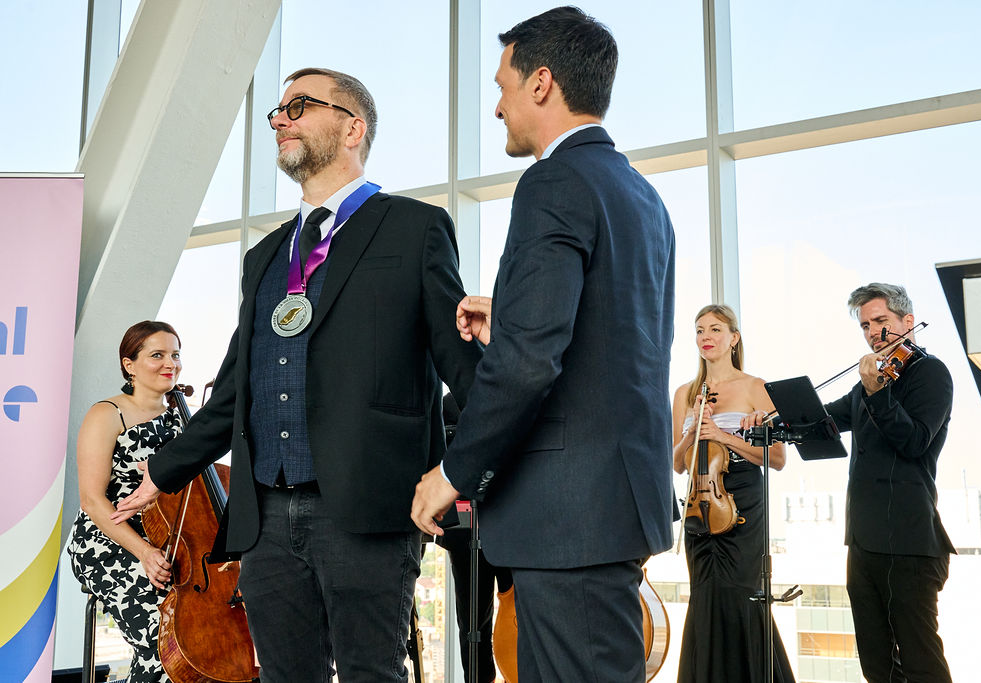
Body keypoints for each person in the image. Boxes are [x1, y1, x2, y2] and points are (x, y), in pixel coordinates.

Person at [113, 67, 481, 682]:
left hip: (367, 507)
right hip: (267, 521)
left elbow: (464, 370)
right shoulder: (265, 256)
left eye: (299, 106)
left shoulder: (415, 229)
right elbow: (235, 391)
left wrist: (465, 468)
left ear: (352, 128)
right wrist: (161, 470)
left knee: (372, 673)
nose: (280, 119)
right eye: (277, 110)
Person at [411, 8, 676, 681]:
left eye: (502, 85)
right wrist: (516, 318)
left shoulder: (553, 183)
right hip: (612, 500)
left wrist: (452, 472)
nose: (496, 106)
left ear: (542, 83)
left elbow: (530, 365)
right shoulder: (639, 194)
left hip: (567, 514)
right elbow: (616, 339)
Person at [746, 282, 955, 682]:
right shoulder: (869, 383)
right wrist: (773, 419)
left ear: (907, 322)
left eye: (881, 321)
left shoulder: (930, 373)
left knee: (921, 660)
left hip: (909, 543)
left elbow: (914, 442)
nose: (873, 332)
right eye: (865, 325)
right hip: (863, 542)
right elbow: (824, 418)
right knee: (875, 664)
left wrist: (877, 394)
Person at [671, 305, 795, 683]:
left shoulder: (755, 387)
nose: (705, 336)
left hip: (741, 497)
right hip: (699, 503)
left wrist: (723, 436)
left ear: (733, 338)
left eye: (715, 329)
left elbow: (776, 458)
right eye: (699, 330)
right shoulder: (685, 393)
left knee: (741, 593)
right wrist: (694, 429)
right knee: (705, 596)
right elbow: (677, 462)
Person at [66, 321, 182, 683]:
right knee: (163, 640)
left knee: (200, 636)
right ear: (129, 365)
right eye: (157, 355)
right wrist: (144, 552)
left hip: (170, 541)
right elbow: (92, 500)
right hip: (109, 540)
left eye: (176, 355)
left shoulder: (185, 418)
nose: (171, 363)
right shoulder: (107, 414)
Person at [435, 393, 514, 683]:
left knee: (518, 614)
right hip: (465, 530)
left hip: (511, 526)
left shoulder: (512, 394)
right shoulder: (447, 405)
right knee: (472, 623)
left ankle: (516, 672)